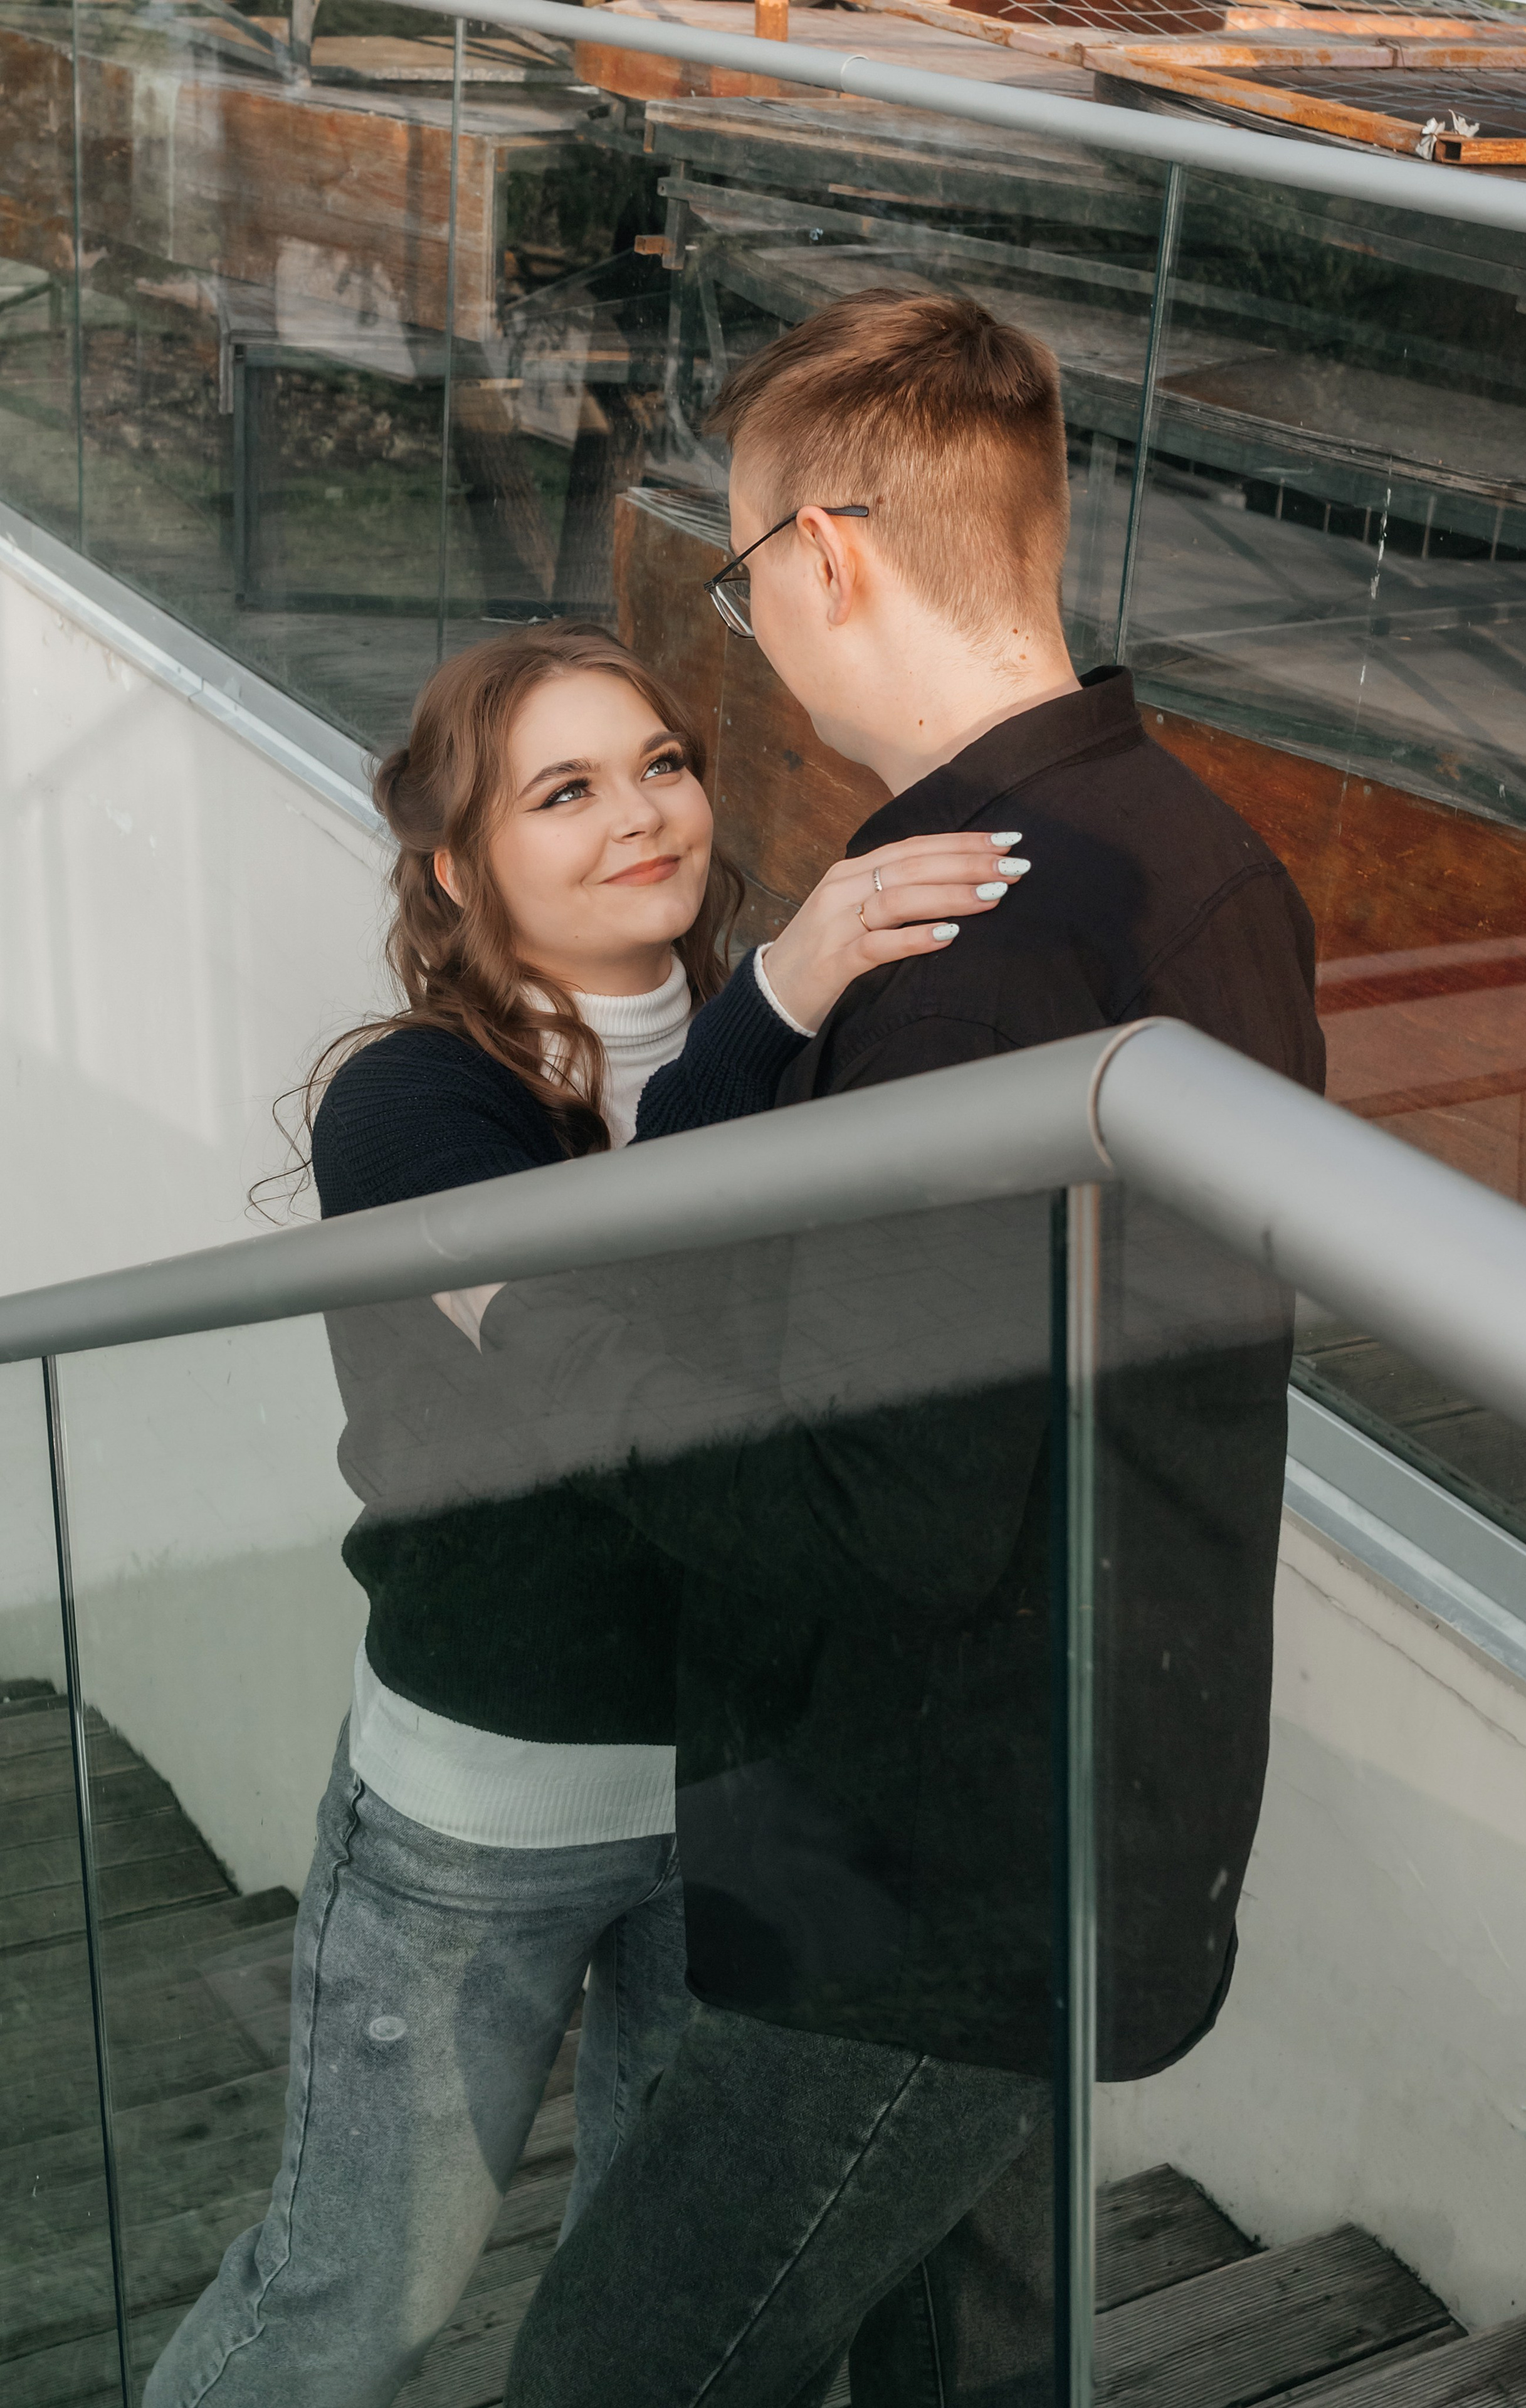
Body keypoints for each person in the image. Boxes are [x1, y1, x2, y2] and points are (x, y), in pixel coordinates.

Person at [503, 294, 1327, 2406]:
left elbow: (885, 1520)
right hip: (1075, 1814)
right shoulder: (1196, 851)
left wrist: (570, 1373)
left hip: (913, 1904)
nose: (752, 622)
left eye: (747, 571)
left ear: (835, 557)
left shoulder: (968, 953)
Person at [143, 620, 1028, 2408]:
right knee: (352, 2304)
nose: (643, 812)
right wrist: (780, 999)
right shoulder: (410, 1097)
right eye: (566, 789)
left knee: (668, 2314)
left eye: (664, 763)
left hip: (748, 1800)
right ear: (461, 866)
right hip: (483, 1821)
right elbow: (579, 1318)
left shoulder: (798, 1046)